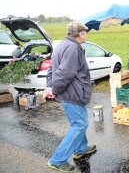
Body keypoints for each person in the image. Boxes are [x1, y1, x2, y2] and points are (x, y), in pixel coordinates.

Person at [44, 22, 96, 172]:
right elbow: (64, 73)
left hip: (70, 93)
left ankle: (81, 149)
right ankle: (57, 160)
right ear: (80, 34)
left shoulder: (61, 45)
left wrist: (50, 86)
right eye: (85, 33)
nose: (86, 35)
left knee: (78, 121)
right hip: (72, 94)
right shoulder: (73, 48)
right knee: (80, 124)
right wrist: (55, 89)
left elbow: (51, 69)